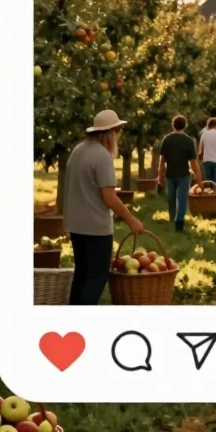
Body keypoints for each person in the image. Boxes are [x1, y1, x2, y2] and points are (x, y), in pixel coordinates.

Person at [64, 110, 145, 305]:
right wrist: (131, 219)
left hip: (76, 224)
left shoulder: (78, 150)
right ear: (111, 132)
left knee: (82, 273)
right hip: (95, 227)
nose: (120, 134)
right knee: (97, 277)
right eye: (118, 130)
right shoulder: (102, 156)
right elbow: (109, 196)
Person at [158, 116, 204, 233]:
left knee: (171, 198)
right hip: (184, 174)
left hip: (170, 173)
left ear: (173, 125)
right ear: (185, 125)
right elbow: (193, 162)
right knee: (182, 199)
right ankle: (179, 224)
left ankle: (172, 219)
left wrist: (160, 176)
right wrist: (199, 179)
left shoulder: (167, 139)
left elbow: (162, 160)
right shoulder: (188, 140)